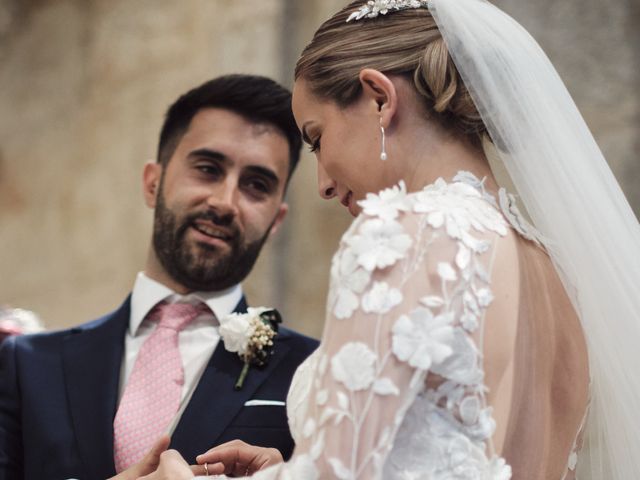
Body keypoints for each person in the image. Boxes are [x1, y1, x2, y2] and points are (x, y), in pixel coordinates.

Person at [122, 1, 640, 479]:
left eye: (318, 138)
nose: (323, 183)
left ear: (378, 97)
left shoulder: (405, 233)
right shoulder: (557, 273)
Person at [0, 74, 319, 480]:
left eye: (256, 185)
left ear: (277, 219)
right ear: (153, 182)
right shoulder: (28, 366)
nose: (224, 202)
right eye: (207, 169)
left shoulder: (314, 370)